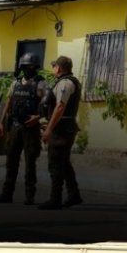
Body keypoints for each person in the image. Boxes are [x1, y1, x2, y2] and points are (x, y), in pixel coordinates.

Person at [0, 53, 46, 204]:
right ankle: (6, 194)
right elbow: (8, 103)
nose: (29, 69)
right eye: (26, 66)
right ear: (21, 67)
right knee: (11, 161)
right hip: (15, 126)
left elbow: (47, 105)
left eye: (31, 66)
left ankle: (29, 196)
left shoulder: (41, 83)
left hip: (31, 128)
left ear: (36, 67)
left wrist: (38, 117)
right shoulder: (15, 83)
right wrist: (1, 122)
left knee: (30, 162)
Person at [39, 55, 83, 210]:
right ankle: (74, 194)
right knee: (64, 163)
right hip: (65, 126)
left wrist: (49, 129)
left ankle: (55, 198)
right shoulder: (68, 81)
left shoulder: (65, 83)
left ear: (58, 68)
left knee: (55, 163)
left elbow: (60, 107)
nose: (53, 68)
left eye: (54, 66)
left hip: (61, 129)